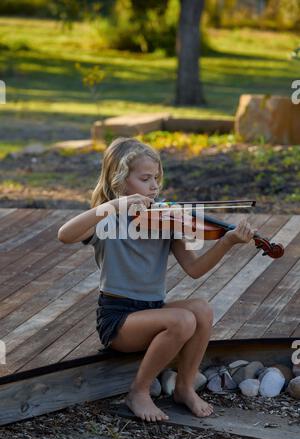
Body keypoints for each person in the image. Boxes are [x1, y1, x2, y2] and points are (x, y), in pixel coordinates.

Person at [57, 137, 257, 423]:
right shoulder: (106, 221)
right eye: (145, 178)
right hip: (119, 320)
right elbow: (64, 234)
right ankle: (138, 391)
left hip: (151, 310)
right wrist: (115, 206)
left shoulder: (165, 220)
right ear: (121, 181)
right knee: (182, 320)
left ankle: (185, 387)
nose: (154, 186)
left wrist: (226, 242)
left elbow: (195, 269)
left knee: (201, 309)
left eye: (157, 178)